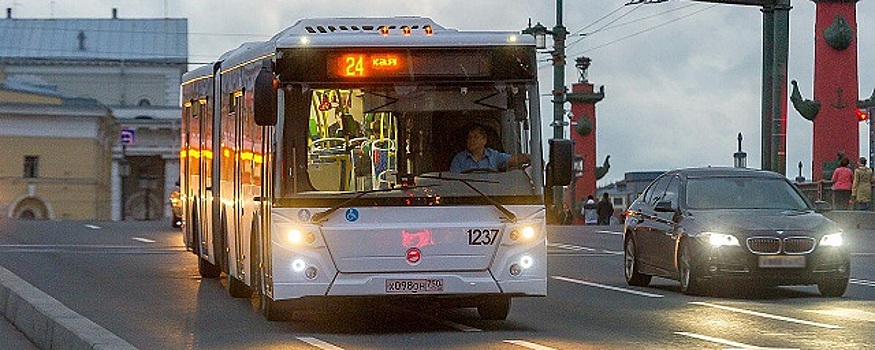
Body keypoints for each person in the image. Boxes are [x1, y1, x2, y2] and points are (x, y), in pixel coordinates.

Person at [450, 125, 529, 173]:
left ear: (484, 140)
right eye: (469, 138)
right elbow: (454, 183)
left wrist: (530, 158)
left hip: (491, 196)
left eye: (475, 137)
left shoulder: (493, 155)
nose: (471, 140)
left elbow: (513, 159)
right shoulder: (459, 159)